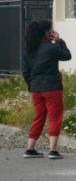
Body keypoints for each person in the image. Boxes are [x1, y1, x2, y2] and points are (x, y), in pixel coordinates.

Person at [21, 20, 72, 159]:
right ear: (46, 32)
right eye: (51, 30)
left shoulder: (29, 49)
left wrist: (31, 87)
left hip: (36, 89)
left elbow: (25, 72)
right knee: (54, 117)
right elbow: (67, 55)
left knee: (39, 117)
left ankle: (30, 149)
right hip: (52, 88)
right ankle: (53, 150)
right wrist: (59, 40)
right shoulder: (52, 48)